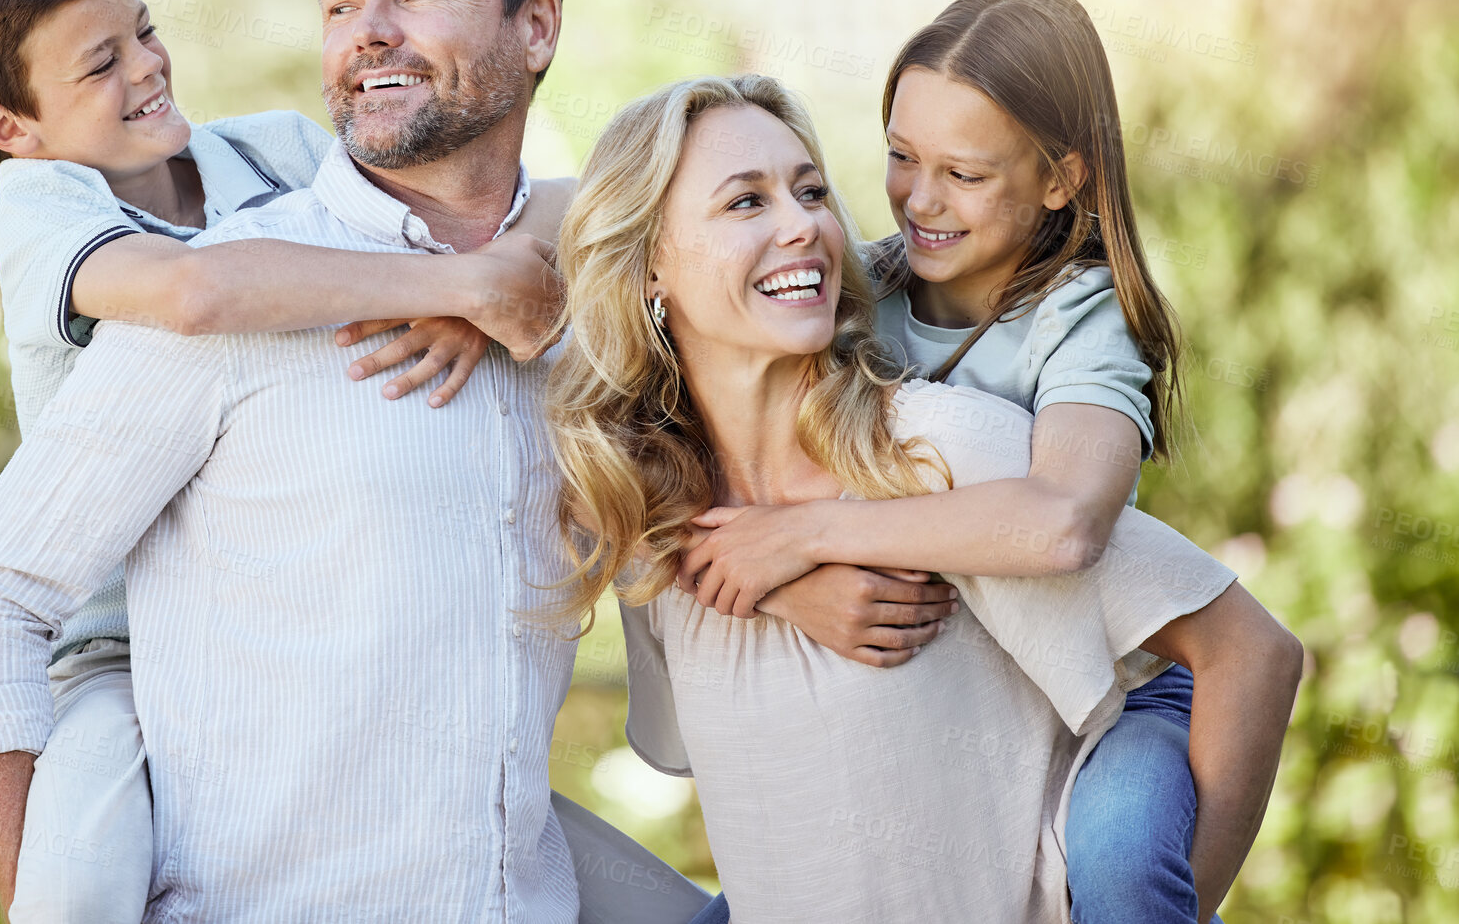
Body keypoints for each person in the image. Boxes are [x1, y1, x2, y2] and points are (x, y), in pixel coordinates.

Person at [0, 0, 568, 919]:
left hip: (267, 628)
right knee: (71, 883)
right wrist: (465, 289)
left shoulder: (264, 150)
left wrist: (479, 279)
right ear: (11, 127)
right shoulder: (45, 210)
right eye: (99, 65)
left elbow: (546, 202)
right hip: (113, 648)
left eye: (145, 30)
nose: (147, 67)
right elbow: (193, 294)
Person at [547, 73, 1305, 922]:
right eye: (744, 203)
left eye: (810, 191)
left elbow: (1252, 653)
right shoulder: (657, 524)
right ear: (648, 263)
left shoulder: (939, 452)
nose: (803, 224)